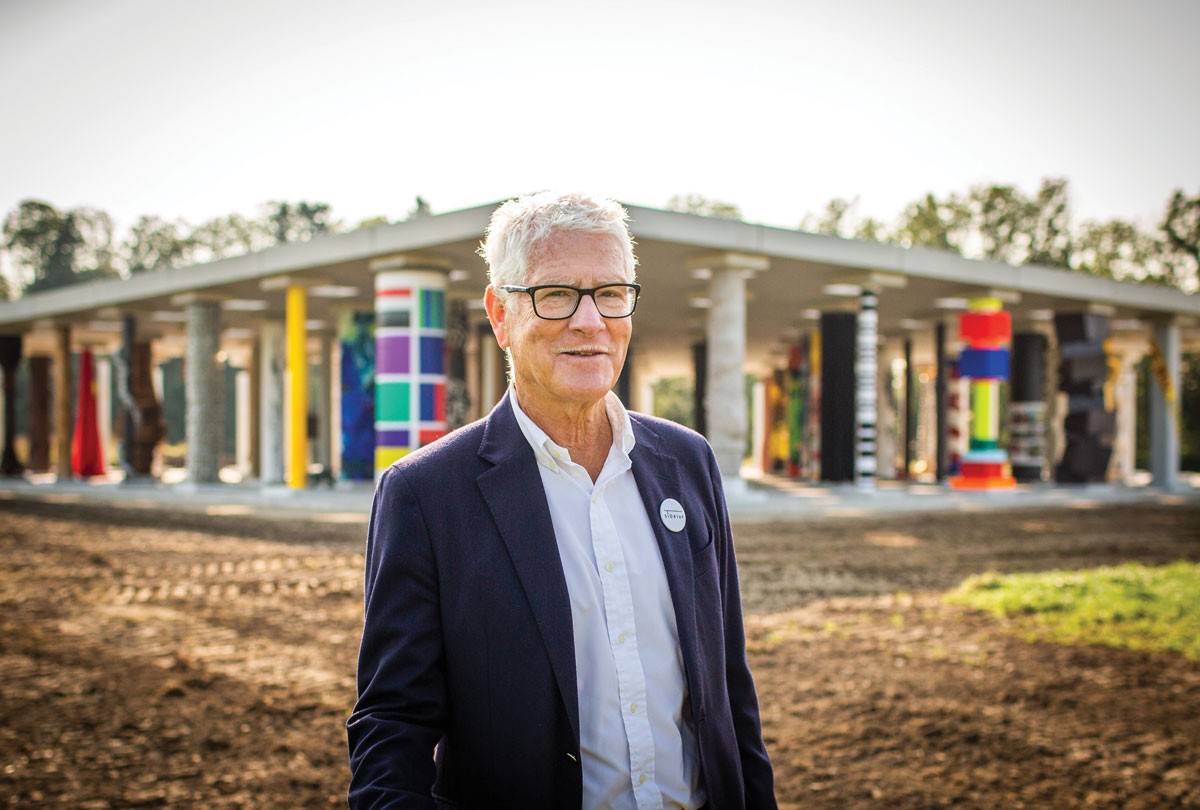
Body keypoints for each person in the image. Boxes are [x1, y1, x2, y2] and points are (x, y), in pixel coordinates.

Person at [347, 191, 776, 809]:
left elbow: (731, 695)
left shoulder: (688, 464)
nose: (589, 321)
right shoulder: (425, 495)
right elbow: (392, 728)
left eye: (609, 293)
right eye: (555, 295)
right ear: (500, 315)